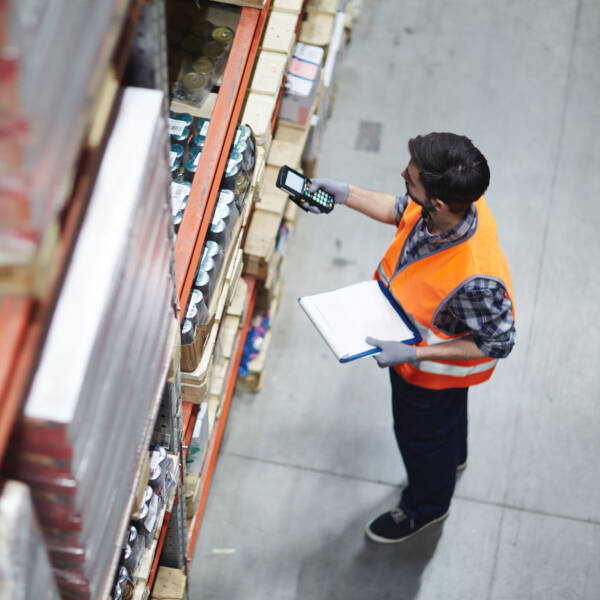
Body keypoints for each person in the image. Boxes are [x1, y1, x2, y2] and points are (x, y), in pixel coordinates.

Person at [309, 132, 515, 544]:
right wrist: (346, 194)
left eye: (412, 177)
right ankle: (453, 458)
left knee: (421, 439)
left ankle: (427, 506)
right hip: (424, 367)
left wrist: (415, 352)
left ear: (438, 202)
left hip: (427, 376)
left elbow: (499, 342)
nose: (403, 175)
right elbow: (403, 210)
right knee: (446, 430)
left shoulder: (476, 278)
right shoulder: (454, 206)